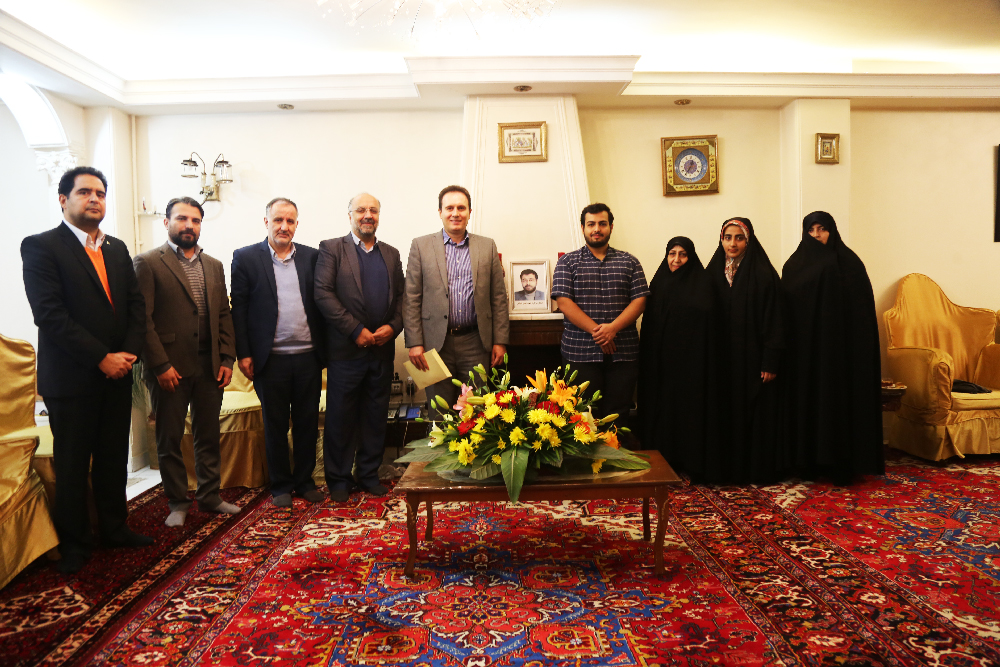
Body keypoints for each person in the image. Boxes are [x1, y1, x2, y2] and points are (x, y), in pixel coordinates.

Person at [21, 166, 152, 574]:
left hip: (118, 373)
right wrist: (101, 357)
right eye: (84, 192)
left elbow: (135, 306)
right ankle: (75, 543)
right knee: (73, 463)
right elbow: (50, 314)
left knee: (112, 457)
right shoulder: (42, 246)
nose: (94, 199)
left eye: (100, 193)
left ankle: (114, 528)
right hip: (72, 378)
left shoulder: (115, 248)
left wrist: (128, 353)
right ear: (63, 200)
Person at [134, 197, 241, 526]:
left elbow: (223, 315)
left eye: (195, 220)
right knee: (169, 438)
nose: (189, 225)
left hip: (210, 367)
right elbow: (142, 319)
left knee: (208, 435)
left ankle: (210, 496)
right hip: (169, 368)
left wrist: (227, 358)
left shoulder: (214, 265)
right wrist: (160, 365)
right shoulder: (147, 263)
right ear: (167, 222)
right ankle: (177, 502)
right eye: (182, 218)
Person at [231, 198, 326, 508]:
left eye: (290, 221)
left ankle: (305, 481)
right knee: (275, 425)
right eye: (278, 220)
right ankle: (281, 485)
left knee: (307, 424)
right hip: (269, 360)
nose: (284, 226)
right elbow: (239, 309)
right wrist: (244, 353)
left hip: (308, 357)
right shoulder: (245, 258)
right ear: (266, 222)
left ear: (297, 224)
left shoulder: (312, 257)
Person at [781, 211, 884, 484]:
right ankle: (807, 462)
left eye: (822, 229)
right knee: (808, 403)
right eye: (811, 230)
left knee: (837, 404)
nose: (817, 235)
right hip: (805, 355)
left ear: (832, 231)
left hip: (840, 354)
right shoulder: (793, 266)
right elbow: (787, 311)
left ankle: (841, 464)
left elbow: (861, 314)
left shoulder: (849, 263)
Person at [315, 193, 405, 502]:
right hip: (346, 351)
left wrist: (393, 327)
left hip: (381, 350)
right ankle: (339, 480)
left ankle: (368, 475)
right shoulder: (331, 249)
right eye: (361, 210)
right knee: (341, 418)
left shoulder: (391, 254)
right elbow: (323, 293)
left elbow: (402, 298)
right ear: (350, 215)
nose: (368, 215)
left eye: (374, 210)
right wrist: (356, 330)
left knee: (375, 416)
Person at [404, 185, 510, 414]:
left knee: (477, 412)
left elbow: (498, 298)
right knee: (439, 413)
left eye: (461, 208)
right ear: (440, 212)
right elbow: (411, 297)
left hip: (476, 343)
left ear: (470, 212)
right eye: (449, 208)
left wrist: (500, 341)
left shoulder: (487, 246)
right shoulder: (421, 246)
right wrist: (414, 342)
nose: (455, 213)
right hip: (434, 345)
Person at [551, 203, 648, 434]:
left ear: (611, 227)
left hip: (622, 352)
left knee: (618, 414)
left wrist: (612, 329)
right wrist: (600, 332)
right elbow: (564, 302)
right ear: (583, 228)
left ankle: (616, 453)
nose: (597, 229)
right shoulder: (567, 262)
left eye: (602, 224)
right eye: (591, 224)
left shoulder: (630, 262)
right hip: (579, 352)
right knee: (582, 414)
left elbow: (640, 300)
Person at [705, 217, 786, 484]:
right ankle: (725, 470)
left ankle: (755, 471)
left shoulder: (763, 274)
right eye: (727, 237)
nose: (733, 243)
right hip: (723, 362)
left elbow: (775, 320)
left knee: (754, 414)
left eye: (739, 238)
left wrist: (770, 361)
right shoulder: (713, 273)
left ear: (748, 241)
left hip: (754, 362)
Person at [637, 237, 721, 479]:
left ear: (691, 257)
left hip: (695, 364)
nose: (676, 259)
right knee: (664, 411)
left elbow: (712, 325)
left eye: (682, 254)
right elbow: (651, 326)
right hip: (663, 365)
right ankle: (664, 461)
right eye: (672, 254)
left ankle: (692, 462)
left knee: (690, 412)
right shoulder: (659, 282)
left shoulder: (704, 283)